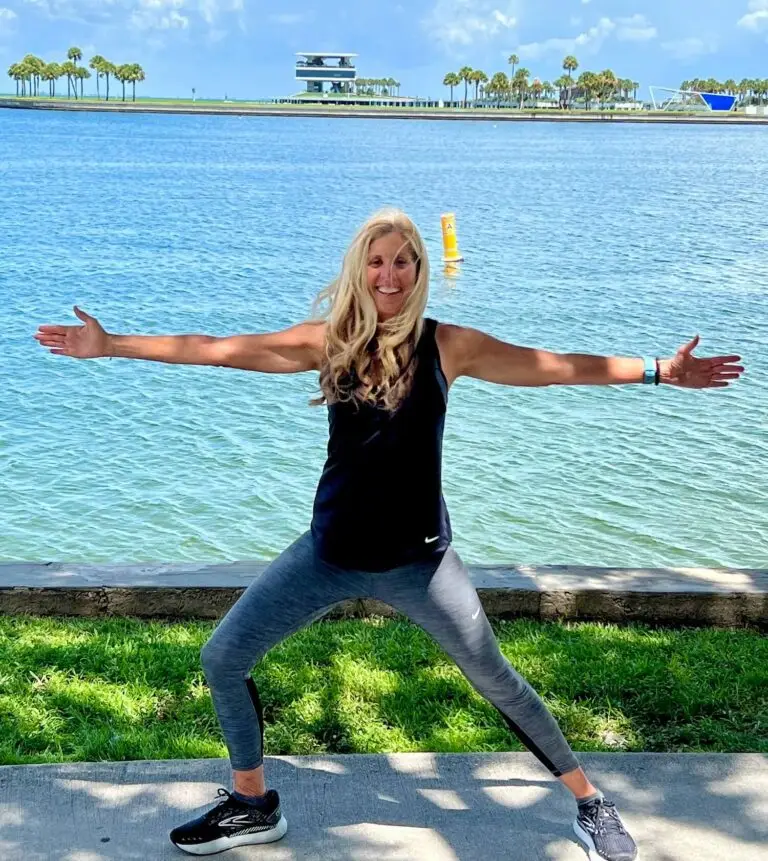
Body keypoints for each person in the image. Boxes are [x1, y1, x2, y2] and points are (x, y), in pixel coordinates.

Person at [34, 208, 744, 861]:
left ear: (420, 270)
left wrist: (658, 371)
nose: (389, 275)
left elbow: (553, 368)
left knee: (499, 680)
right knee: (223, 655)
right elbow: (217, 350)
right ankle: (252, 803)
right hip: (328, 555)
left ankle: (589, 803)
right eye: (376, 261)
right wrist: (112, 345)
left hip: (421, 564)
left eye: (403, 261)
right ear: (358, 269)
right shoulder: (328, 344)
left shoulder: (450, 346)